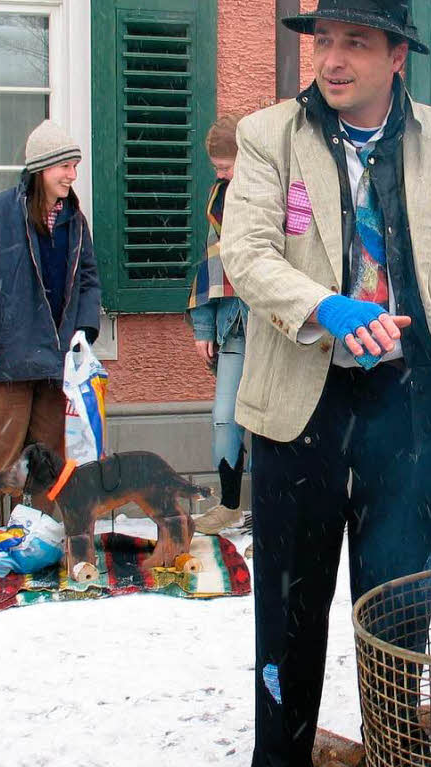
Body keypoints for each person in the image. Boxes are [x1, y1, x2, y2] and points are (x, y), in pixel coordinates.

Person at [217, 0, 431, 763]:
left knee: (398, 610)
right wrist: (326, 303)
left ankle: (392, 751)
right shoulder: (268, 135)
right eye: (324, 41)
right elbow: (247, 255)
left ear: (396, 57)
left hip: (410, 406)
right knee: (289, 613)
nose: (332, 59)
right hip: (299, 403)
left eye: (355, 41)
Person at [0, 119, 101, 536]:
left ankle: (34, 526)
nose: (72, 175)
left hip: (56, 359)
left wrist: (85, 331)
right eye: (65, 167)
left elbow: (88, 278)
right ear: (42, 167)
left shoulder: (74, 220)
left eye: (75, 166)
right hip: (6, 354)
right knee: (2, 448)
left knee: (46, 451)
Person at [186, 116, 252, 542]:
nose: (220, 174)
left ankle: (272, 510)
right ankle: (229, 507)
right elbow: (211, 262)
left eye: (226, 165)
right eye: (217, 167)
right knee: (224, 417)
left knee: (269, 424)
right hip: (233, 325)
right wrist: (203, 326)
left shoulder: (275, 194)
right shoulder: (218, 200)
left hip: (277, 330)